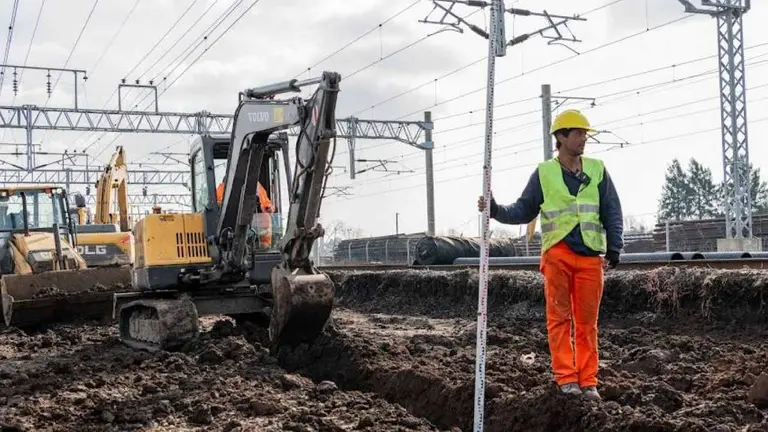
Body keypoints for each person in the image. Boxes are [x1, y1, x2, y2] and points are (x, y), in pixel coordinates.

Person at [477, 109, 623, 401]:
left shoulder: (597, 170)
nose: (584, 138)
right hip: (558, 255)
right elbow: (523, 210)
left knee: (587, 324)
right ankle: (566, 378)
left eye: (585, 134)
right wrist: (495, 210)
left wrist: (615, 246)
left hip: (590, 259)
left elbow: (612, 210)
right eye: (578, 133)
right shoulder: (544, 173)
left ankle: (588, 381)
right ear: (561, 137)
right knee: (559, 319)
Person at [216, 181, 274, 248]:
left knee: (266, 219)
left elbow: (266, 203)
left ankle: (264, 246)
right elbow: (219, 205)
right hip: (233, 228)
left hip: (254, 227)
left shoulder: (257, 187)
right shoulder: (224, 186)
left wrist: (269, 207)